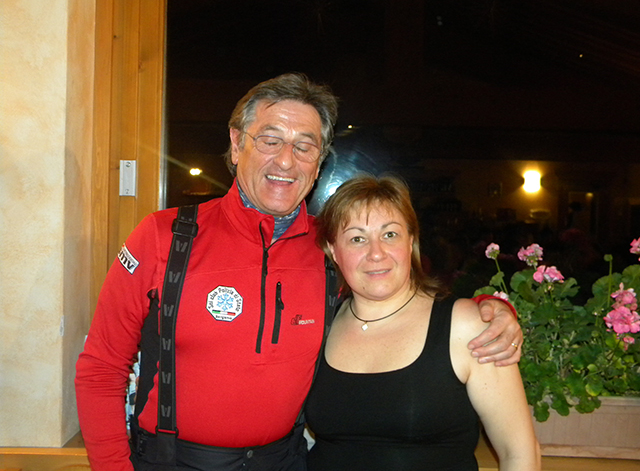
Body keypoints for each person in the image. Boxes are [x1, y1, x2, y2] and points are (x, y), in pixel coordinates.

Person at [75, 73, 522, 471]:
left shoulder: (330, 248)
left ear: (319, 160)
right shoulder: (166, 236)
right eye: (270, 140)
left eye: (304, 146)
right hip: (174, 462)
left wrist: (490, 309)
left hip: (285, 462)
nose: (286, 161)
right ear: (236, 144)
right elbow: (101, 368)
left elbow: (395, 298)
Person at [305, 175, 540, 471]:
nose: (376, 253)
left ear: (411, 241)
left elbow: (518, 452)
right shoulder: (321, 322)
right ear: (333, 251)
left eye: (390, 234)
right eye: (357, 239)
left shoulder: (465, 326)